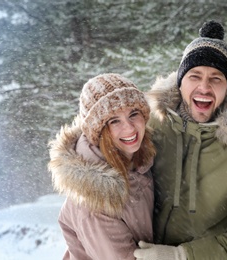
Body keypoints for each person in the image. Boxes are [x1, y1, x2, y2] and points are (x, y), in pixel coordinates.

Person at [134, 21, 227, 260]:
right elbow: (99, 152)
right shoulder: (149, 126)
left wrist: (182, 256)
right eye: (194, 76)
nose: (204, 87)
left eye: (216, 78)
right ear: (180, 83)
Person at [48, 73, 156, 260]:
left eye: (133, 114)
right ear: (98, 131)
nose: (129, 128)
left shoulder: (139, 158)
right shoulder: (95, 203)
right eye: (114, 121)